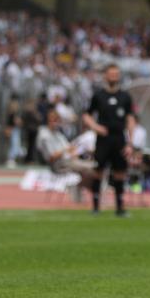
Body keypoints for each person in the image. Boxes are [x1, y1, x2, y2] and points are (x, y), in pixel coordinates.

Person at [82, 64, 136, 216]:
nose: (113, 76)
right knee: (98, 172)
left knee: (120, 173)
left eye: (116, 74)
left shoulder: (125, 96)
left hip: (119, 138)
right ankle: (95, 207)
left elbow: (130, 119)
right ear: (105, 76)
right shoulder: (98, 95)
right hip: (103, 139)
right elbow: (86, 115)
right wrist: (95, 127)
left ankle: (120, 208)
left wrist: (130, 142)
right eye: (111, 74)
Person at [36, 109, 96, 187]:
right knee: (91, 168)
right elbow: (51, 157)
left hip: (68, 160)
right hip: (58, 164)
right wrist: (66, 150)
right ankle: (84, 188)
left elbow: (70, 148)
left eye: (57, 120)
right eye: (53, 120)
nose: (55, 123)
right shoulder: (44, 134)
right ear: (48, 120)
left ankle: (79, 188)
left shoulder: (58, 134)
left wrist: (76, 152)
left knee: (91, 167)